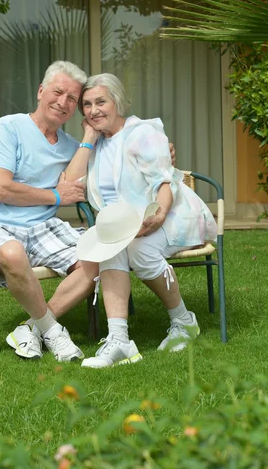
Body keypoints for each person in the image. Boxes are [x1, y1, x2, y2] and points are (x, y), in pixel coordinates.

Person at [64, 73, 218, 369]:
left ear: (117, 101)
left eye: (101, 101)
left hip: (171, 215)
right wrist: (87, 138)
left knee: (139, 250)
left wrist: (159, 213)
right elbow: (70, 184)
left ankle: (184, 321)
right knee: (111, 247)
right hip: (124, 226)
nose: (94, 110)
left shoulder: (142, 133)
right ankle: (119, 341)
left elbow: (164, 182)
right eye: (87, 104)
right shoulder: (95, 145)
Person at [0, 60, 98, 362]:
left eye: (72, 99)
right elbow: (2, 189)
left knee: (98, 259)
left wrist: (89, 137)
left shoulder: (69, 146)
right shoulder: (9, 127)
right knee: (12, 253)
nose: (63, 103)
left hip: (41, 228)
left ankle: (30, 329)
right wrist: (54, 195)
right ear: (41, 91)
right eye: (58, 92)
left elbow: (76, 185)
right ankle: (53, 331)